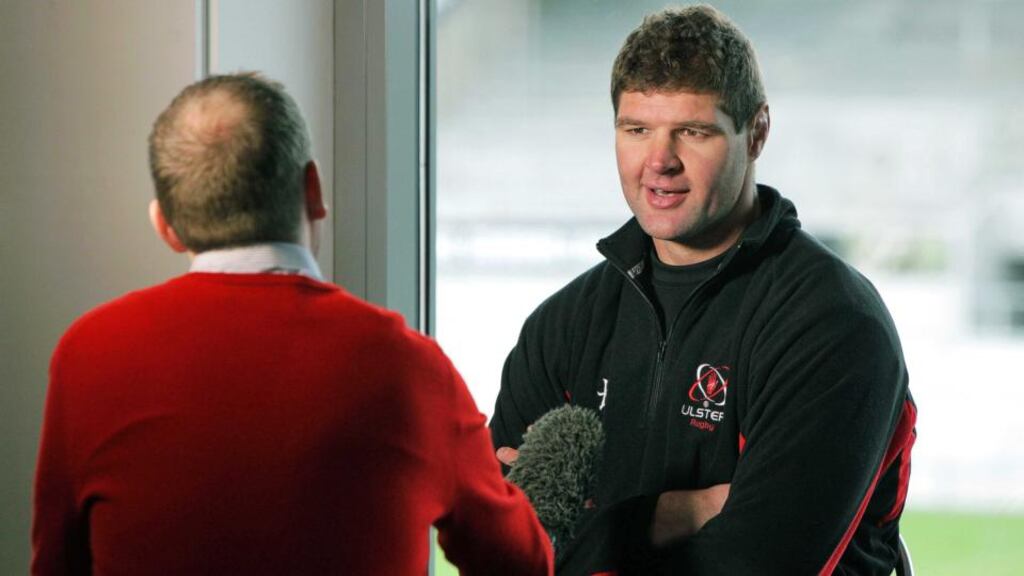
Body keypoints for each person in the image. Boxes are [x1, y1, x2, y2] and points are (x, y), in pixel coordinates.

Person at [32, 73, 553, 575]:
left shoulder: (89, 353)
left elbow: (58, 564)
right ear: (313, 189)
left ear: (164, 224)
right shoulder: (409, 368)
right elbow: (518, 564)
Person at [491, 6, 916, 575]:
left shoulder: (831, 324)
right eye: (637, 129)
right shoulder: (565, 324)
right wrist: (678, 513)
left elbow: (760, 562)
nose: (660, 161)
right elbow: (503, 547)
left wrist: (592, 526)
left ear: (757, 132)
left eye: (693, 131)